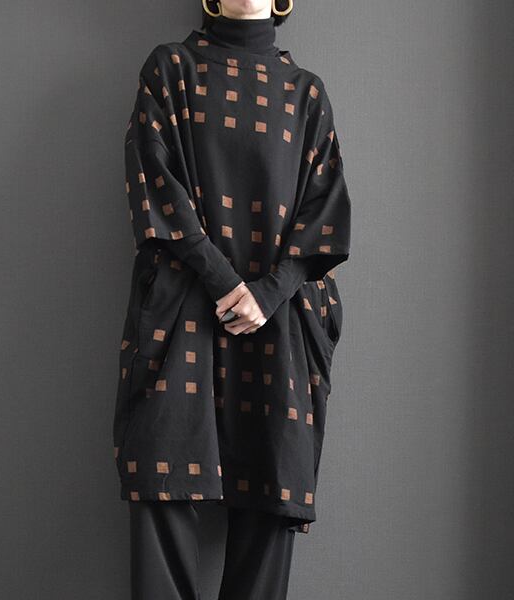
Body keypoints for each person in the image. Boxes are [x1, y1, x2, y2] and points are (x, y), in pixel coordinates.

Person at [113, 1, 351, 598]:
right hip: (181, 308)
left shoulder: (306, 93)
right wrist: (225, 283)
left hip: (282, 318)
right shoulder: (170, 69)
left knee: (271, 490)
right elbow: (153, 182)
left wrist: (267, 294)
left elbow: (326, 212)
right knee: (163, 487)